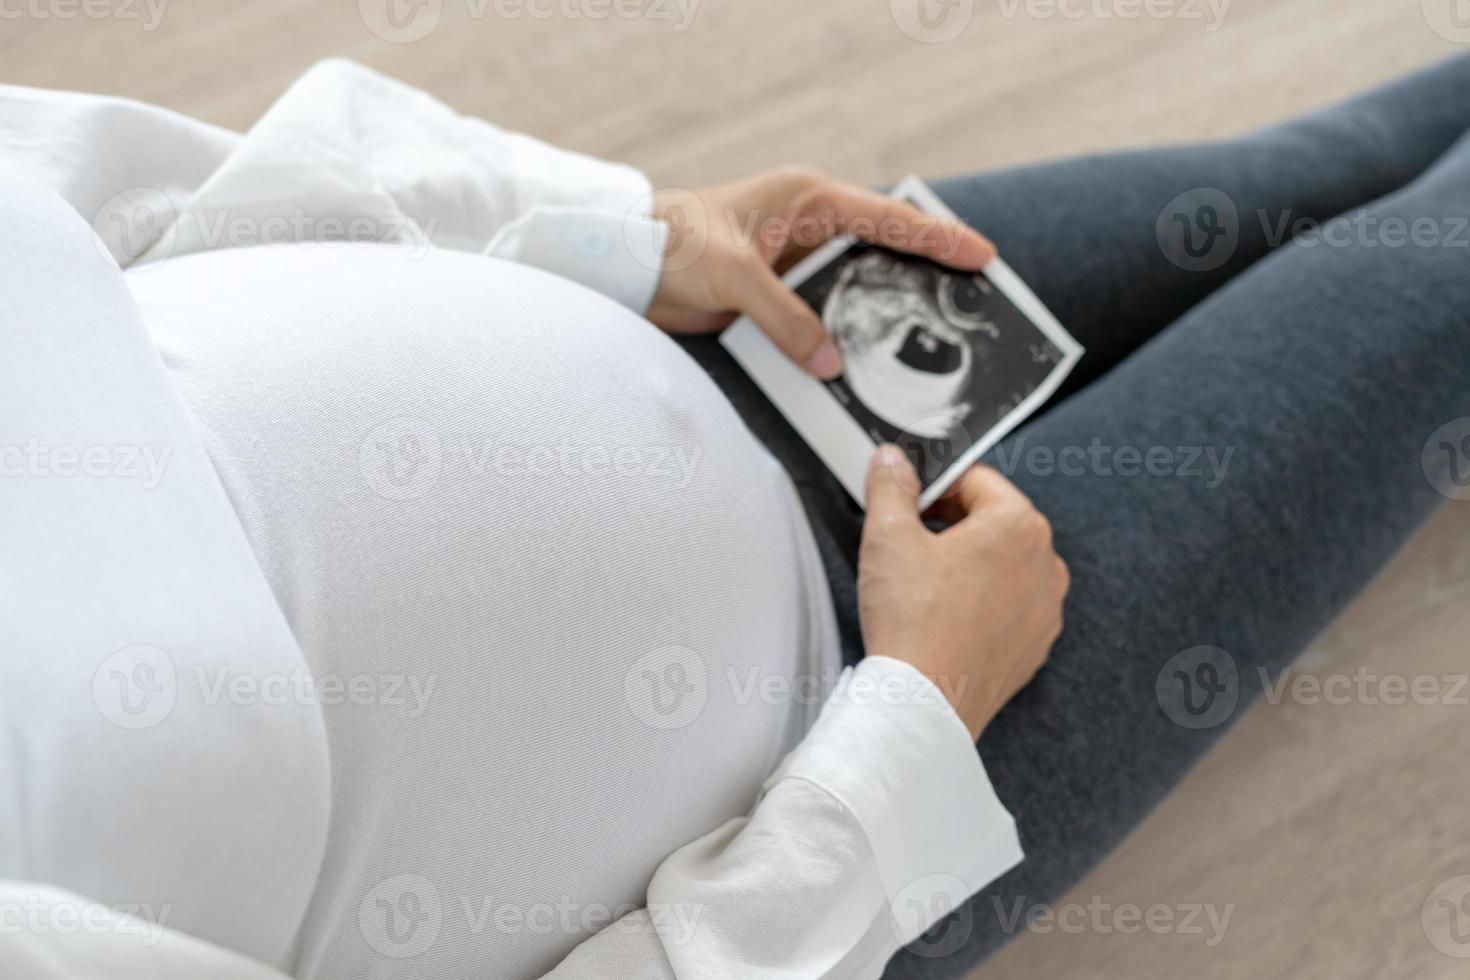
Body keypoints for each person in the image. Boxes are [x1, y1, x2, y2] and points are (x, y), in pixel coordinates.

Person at [1, 51, 1467, 980]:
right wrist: (911, 722)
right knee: (1429, 288)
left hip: (714, 322)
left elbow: (104, 191)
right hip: (854, 748)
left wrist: (616, 229)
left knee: (1304, 176)